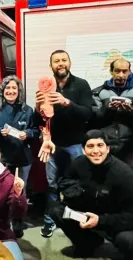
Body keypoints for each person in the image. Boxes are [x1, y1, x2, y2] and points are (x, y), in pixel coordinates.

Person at [48, 130, 133, 260]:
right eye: (90, 146)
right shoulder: (79, 163)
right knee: (56, 210)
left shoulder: (124, 175)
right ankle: (88, 244)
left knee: (129, 240)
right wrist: (74, 192)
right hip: (88, 212)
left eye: (100, 145)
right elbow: (66, 182)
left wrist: (101, 221)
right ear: (83, 149)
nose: (95, 151)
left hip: (116, 220)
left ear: (108, 148)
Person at [35, 50, 94, 238]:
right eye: (56, 61)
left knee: (80, 182)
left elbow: (88, 114)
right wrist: (38, 109)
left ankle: (78, 219)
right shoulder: (46, 86)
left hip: (76, 143)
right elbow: (40, 119)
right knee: (52, 184)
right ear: (51, 65)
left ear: (70, 63)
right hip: (51, 144)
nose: (60, 63)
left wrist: (66, 102)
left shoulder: (81, 85)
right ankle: (50, 221)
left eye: (63, 60)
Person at [0, 75, 39, 237]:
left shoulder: (27, 110)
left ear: (19, 91)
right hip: (2, 157)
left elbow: (35, 131)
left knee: (20, 189)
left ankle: (18, 221)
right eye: (8, 88)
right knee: (1, 190)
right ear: (2, 90)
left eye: (14, 88)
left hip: (22, 157)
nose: (11, 91)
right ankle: (2, 221)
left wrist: (27, 133)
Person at [91, 57, 133, 169]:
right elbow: (94, 119)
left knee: (129, 180)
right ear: (111, 71)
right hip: (105, 145)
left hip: (129, 145)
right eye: (117, 71)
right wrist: (107, 109)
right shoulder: (98, 92)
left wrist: (132, 111)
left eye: (124, 71)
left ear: (129, 72)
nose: (121, 75)